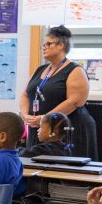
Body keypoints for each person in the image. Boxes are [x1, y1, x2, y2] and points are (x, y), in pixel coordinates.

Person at [20, 25, 97, 159]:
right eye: (43, 44)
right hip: (38, 127)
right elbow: (26, 94)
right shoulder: (40, 69)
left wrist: (45, 118)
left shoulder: (75, 70)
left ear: (61, 45)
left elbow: (75, 102)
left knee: (67, 173)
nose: (44, 47)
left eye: (48, 44)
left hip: (67, 130)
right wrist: (25, 114)